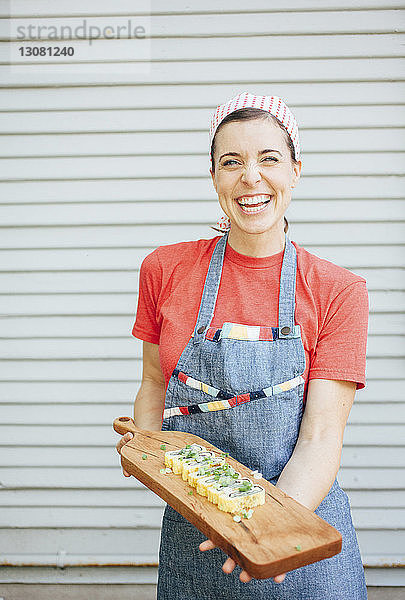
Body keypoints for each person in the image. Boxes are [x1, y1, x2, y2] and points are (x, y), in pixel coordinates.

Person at [116, 91, 369, 599]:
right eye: (231, 162)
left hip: (297, 530)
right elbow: (153, 384)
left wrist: (262, 531)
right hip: (194, 540)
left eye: (269, 159)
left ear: (296, 171)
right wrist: (144, 448)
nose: (250, 177)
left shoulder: (338, 289)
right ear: (214, 178)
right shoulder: (164, 270)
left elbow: (320, 436)